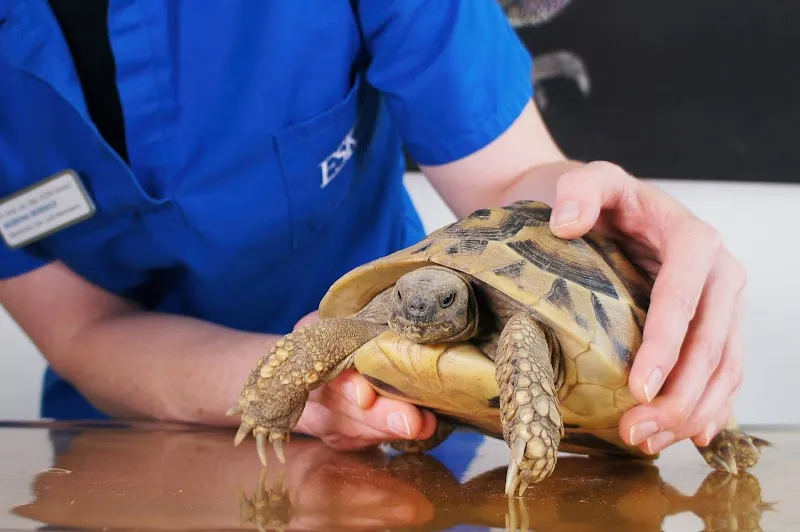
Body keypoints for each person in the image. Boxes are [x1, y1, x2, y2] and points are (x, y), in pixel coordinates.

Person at [0, 1, 745, 463]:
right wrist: (298, 385)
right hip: (121, 445)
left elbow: (509, 185)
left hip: (396, 443)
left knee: (518, 343)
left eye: (431, 305)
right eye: (417, 306)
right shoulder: (387, 315)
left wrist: (592, 204)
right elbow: (79, 328)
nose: (417, 314)